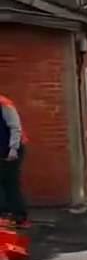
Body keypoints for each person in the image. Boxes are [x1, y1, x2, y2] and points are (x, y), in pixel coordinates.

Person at [0, 94, 28, 227]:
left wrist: (13, 149)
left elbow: (15, 127)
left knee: (10, 182)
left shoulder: (4, 104)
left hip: (12, 148)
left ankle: (16, 215)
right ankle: (12, 215)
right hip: (3, 147)